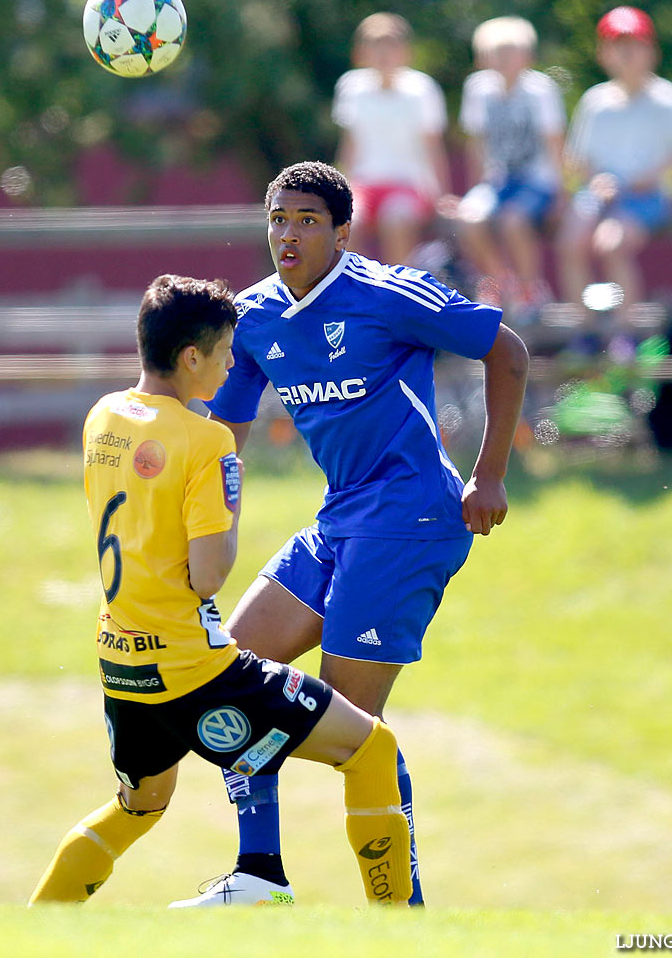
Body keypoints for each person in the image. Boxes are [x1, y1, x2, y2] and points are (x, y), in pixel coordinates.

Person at [170, 162, 529, 907]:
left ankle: (403, 915)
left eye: (306, 220)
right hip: (340, 522)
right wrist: (187, 518)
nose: (287, 234)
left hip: (411, 521)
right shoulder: (257, 316)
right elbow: (225, 433)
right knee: (224, 678)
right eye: (277, 219)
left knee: (353, 730)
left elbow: (509, 352)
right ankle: (259, 875)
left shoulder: (385, 294)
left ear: (341, 231)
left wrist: (489, 474)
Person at [30, 274, 413, 907]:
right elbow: (209, 574)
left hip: (123, 662)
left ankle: (31, 931)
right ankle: (399, 933)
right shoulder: (208, 442)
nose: (234, 364)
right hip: (196, 668)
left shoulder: (103, 417)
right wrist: (228, 501)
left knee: (140, 805)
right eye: (226, 352)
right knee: (373, 747)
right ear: (191, 357)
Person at [556, 6, 672, 335]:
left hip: (650, 197)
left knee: (611, 244)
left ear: (650, 51)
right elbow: (576, 159)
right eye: (617, 46)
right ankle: (584, 331)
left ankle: (625, 334)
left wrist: (655, 175)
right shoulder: (595, 101)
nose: (626, 54)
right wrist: (597, 180)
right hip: (604, 196)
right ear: (603, 53)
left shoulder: (668, 99)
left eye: (634, 45)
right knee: (570, 240)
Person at [455, 16, 566, 323]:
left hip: (537, 181)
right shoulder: (477, 89)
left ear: (526, 55)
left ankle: (532, 288)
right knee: (469, 217)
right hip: (498, 181)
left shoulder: (541, 90)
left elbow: (555, 144)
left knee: (514, 220)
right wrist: (474, 187)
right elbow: (476, 143)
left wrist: (561, 193)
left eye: (510, 51)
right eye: (496, 51)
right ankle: (501, 283)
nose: (503, 59)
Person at [333, 13, 451, 266]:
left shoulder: (422, 89)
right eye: (376, 45)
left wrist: (442, 194)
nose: (383, 53)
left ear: (405, 51)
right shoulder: (351, 87)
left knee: (396, 218)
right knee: (348, 220)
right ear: (362, 52)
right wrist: (339, 188)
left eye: (391, 45)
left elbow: (433, 147)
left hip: (410, 184)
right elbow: (350, 144)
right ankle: (359, 291)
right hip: (365, 184)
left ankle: (399, 291)